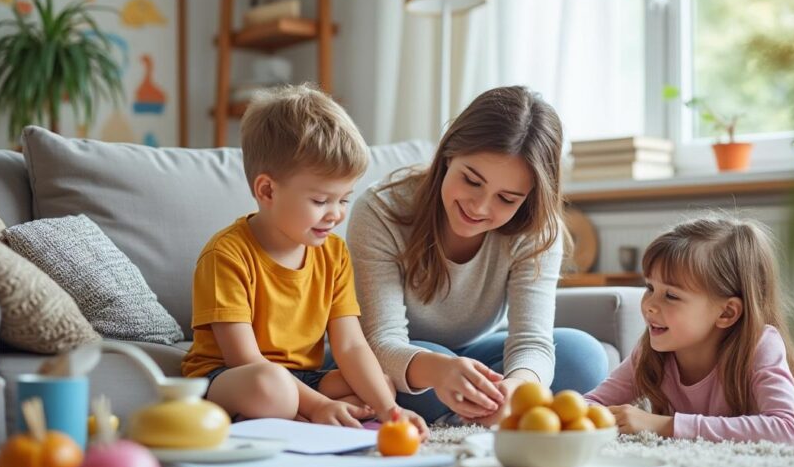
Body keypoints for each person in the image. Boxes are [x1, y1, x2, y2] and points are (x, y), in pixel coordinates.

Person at [346, 85, 608, 426]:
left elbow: (531, 340)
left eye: (507, 199)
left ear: (527, 199)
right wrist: (439, 371)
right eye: (471, 181)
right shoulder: (381, 210)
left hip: (478, 353)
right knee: (429, 369)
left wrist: (518, 387)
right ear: (448, 156)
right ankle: (460, 408)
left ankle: (468, 410)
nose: (480, 207)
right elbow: (380, 341)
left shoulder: (538, 229)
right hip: (405, 359)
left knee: (583, 356)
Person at [181, 84, 427, 436]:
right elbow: (244, 360)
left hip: (302, 376)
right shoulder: (226, 255)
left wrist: (392, 410)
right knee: (271, 388)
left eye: (343, 200)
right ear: (267, 191)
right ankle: (303, 414)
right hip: (230, 378)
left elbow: (351, 344)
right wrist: (319, 405)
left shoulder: (334, 254)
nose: (336, 215)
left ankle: (299, 416)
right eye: (321, 200)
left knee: (381, 386)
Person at [584, 216, 794, 443]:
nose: (649, 306)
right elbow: (591, 404)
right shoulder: (651, 351)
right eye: (649, 287)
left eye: (671, 295)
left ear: (726, 313)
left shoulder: (759, 346)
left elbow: (790, 431)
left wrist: (664, 425)